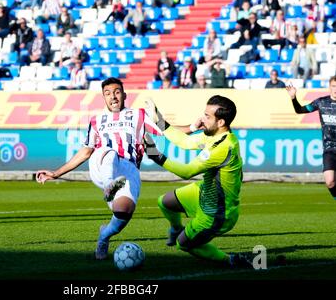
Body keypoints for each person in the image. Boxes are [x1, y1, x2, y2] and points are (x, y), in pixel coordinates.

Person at [36, 77, 163, 260]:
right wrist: (56, 173)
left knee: (123, 213)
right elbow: (86, 151)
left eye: (117, 92)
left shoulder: (139, 115)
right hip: (102, 163)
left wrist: (194, 127)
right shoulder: (97, 120)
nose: (113, 97)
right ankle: (110, 185)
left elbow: (166, 130)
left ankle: (104, 236)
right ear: (103, 97)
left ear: (124, 95)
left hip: (128, 169)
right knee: (108, 151)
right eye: (108, 93)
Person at [143, 96, 250, 268]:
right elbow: (184, 141)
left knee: (183, 244)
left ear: (221, 121)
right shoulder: (213, 135)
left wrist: (155, 155)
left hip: (217, 210)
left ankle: (229, 260)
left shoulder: (223, 147)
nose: (202, 119)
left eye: (207, 116)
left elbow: (187, 172)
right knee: (164, 202)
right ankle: (177, 229)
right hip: (204, 192)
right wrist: (159, 120)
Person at [286, 77, 336, 200]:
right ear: (329, 87)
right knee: (330, 182)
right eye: (334, 86)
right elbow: (300, 110)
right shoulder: (321, 102)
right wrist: (293, 98)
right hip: (329, 149)